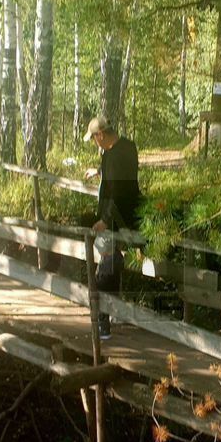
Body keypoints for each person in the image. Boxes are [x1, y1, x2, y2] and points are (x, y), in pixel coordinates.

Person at [83, 117, 141, 339]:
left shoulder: (114, 156)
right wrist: (98, 171)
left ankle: (103, 324)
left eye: (94, 139)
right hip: (127, 216)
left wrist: (105, 220)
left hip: (115, 218)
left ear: (100, 135)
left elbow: (119, 192)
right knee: (113, 262)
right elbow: (120, 173)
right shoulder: (125, 147)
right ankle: (112, 313)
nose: (95, 143)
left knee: (106, 267)